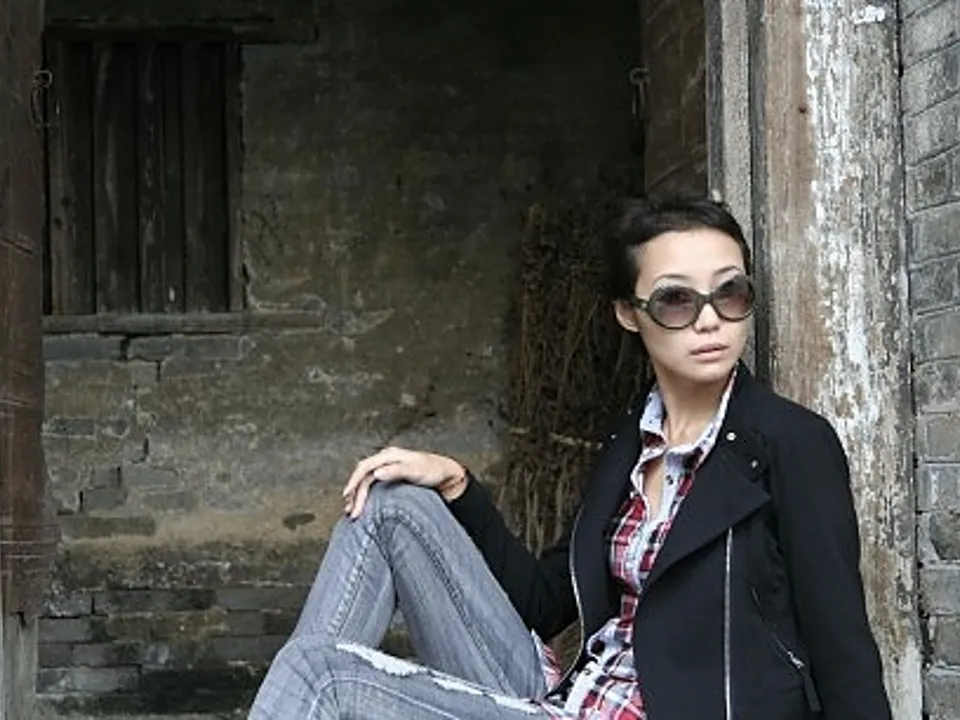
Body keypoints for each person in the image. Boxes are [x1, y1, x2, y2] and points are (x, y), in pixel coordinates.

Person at [248, 197, 892, 719]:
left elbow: (842, 648)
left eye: (730, 294)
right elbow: (546, 602)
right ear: (629, 314)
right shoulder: (630, 442)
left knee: (319, 677)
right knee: (391, 504)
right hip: (567, 700)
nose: (708, 321)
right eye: (676, 299)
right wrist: (459, 487)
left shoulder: (789, 443)